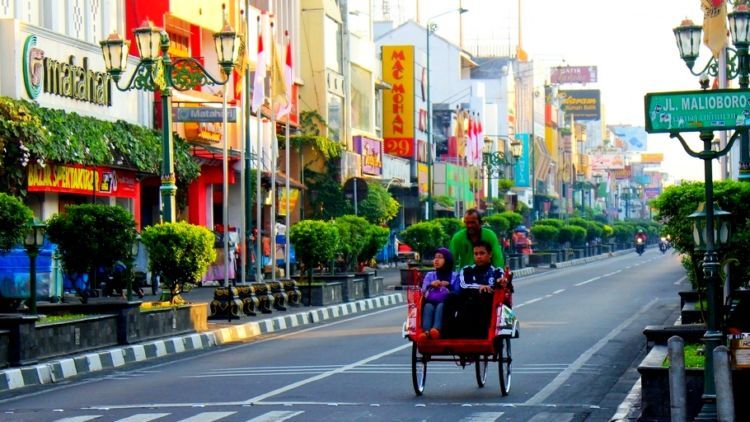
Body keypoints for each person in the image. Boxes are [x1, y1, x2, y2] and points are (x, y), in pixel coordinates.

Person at [445, 240, 512, 339]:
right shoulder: (467, 270)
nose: (478, 256)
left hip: (488, 307)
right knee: (450, 296)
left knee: (485, 294)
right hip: (468, 302)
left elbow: (501, 285)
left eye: (482, 253)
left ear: (490, 254)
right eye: (476, 254)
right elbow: (463, 285)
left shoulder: (497, 271)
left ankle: (485, 333)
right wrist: (479, 287)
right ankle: (448, 332)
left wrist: (500, 283)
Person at [418, 248, 458, 341]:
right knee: (428, 306)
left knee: (441, 306)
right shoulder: (430, 275)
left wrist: (449, 285)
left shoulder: (455, 275)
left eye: (440, 257)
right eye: (435, 257)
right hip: (431, 301)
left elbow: (457, 291)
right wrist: (430, 285)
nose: (436, 260)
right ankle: (426, 332)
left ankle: (436, 329)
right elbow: (423, 290)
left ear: (447, 260)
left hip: (448, 304)